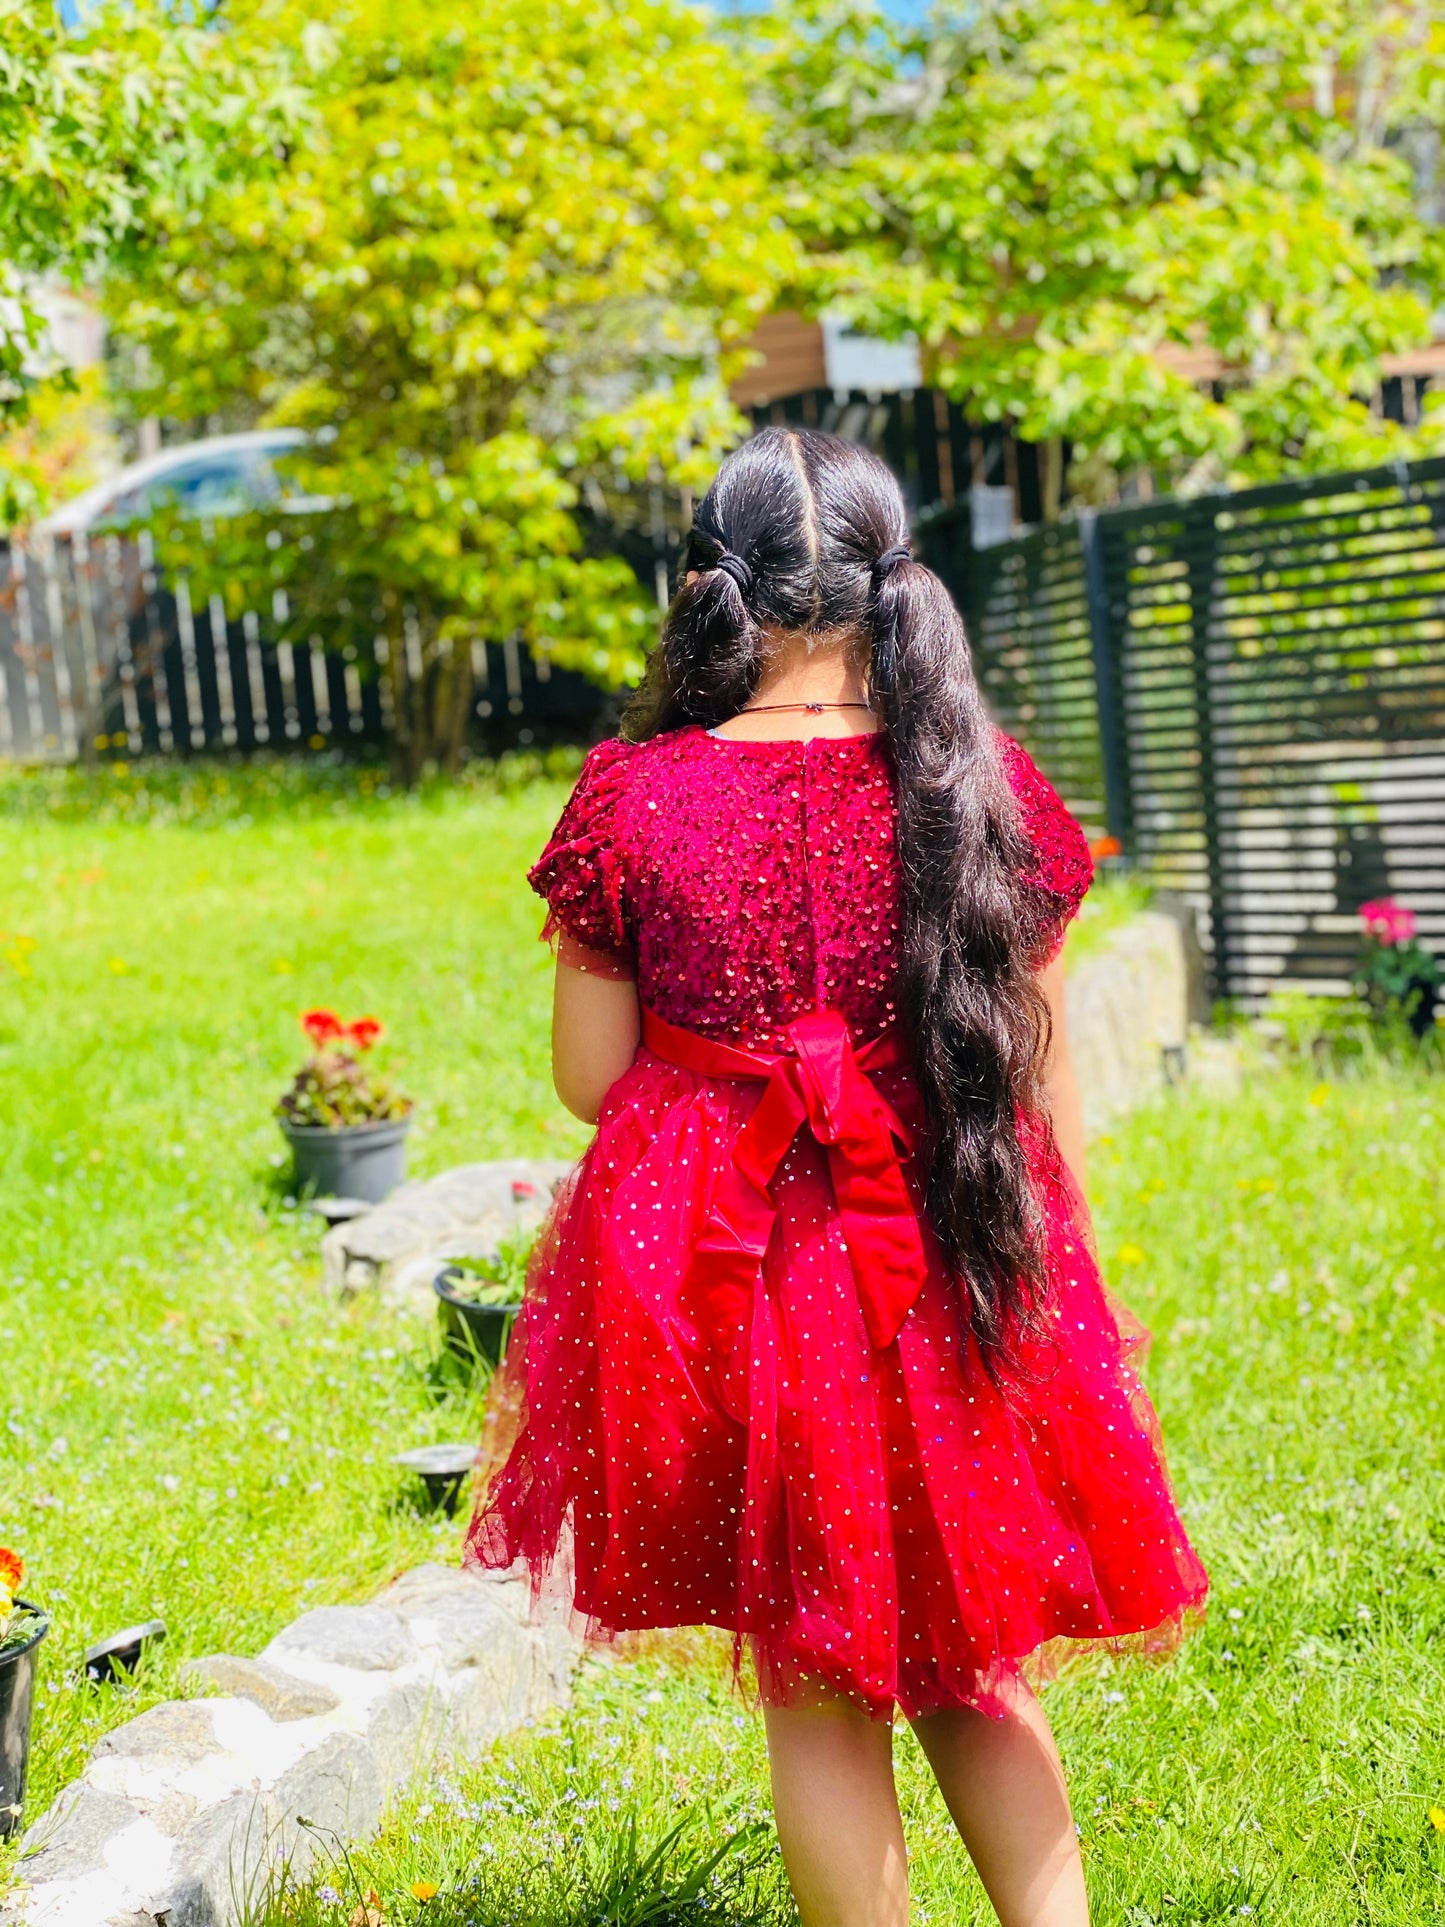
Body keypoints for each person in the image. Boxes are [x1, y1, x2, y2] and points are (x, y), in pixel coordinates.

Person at [466, 428, 1208, 1927]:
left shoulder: (635, 796)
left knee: (815, 1684)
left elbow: (590, 1079)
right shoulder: (975, 783)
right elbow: (1038, 1083)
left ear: (711, 585)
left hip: (719, 1271)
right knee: (971, 1648)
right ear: (890, 580)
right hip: (949, 1249)